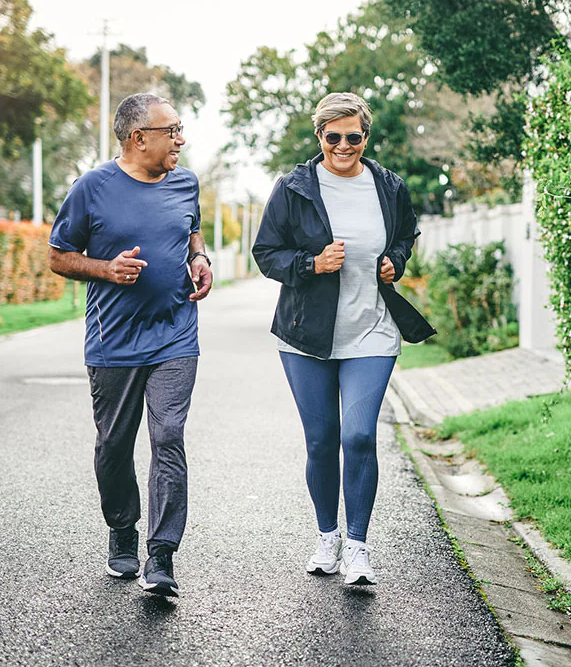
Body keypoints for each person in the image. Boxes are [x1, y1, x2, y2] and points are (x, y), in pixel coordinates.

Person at [253, 92, 436, 586]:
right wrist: (311, 264)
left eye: (353, 137)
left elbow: (406, 234)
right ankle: (327, 536)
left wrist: (396, 260)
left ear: (365, 137)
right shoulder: (293, 188)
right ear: (319, 137)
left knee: (357, 435)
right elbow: (266, 252)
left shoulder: (388, 186)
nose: (343, 146)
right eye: (332, 137)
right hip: (305, 335)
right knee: (321, 440)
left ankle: (357, 546)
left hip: (372, 328)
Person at [47, 92, 212, 597]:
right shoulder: (92, 188)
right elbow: (58, 256)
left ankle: (161, 556)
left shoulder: (186, 182)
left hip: (175, 334)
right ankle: (122, 527)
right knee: (114, 445)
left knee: (168, 436)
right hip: (112, 340)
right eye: (173, 131)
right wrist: (105, 269)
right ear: (139, 138)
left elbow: (193, 231)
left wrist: (200, 258)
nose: (181, 140)